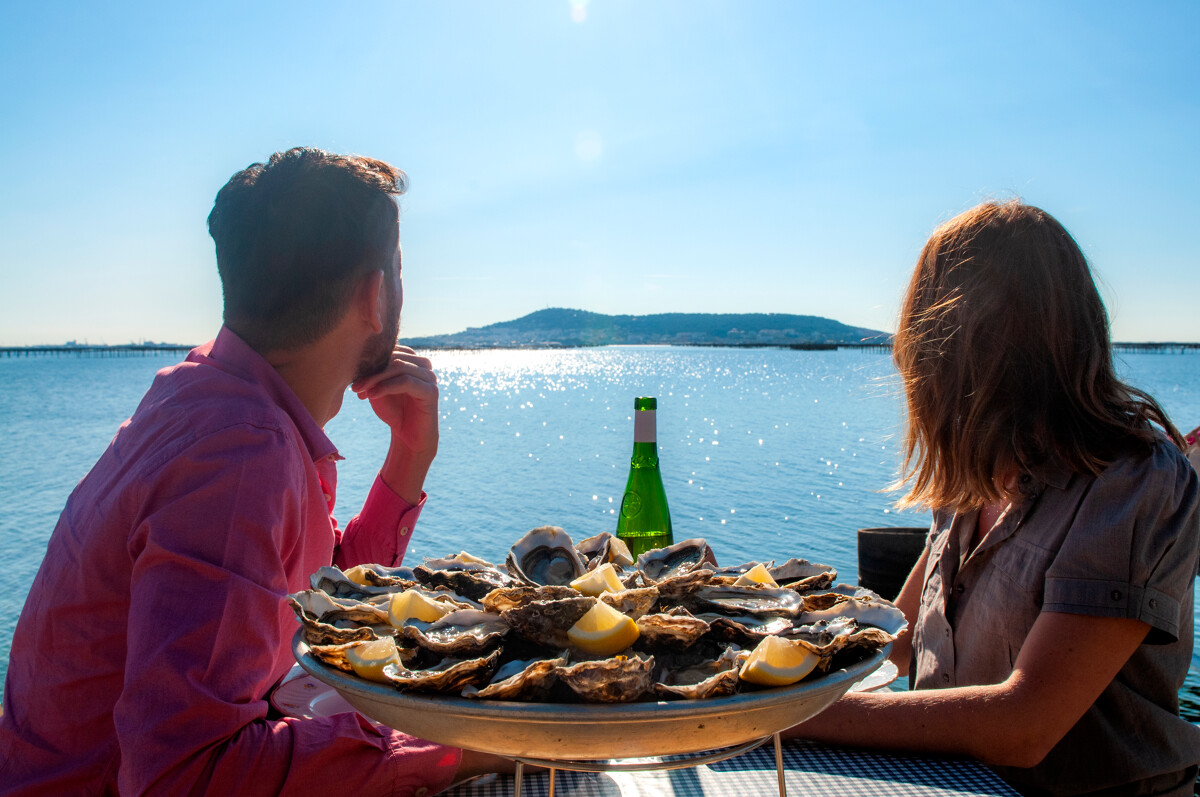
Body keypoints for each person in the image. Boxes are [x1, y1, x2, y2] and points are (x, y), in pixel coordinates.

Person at [0, 148, 507, 794]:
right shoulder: (240, 456)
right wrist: (452, 746)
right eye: (399, 270)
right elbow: (183, 775)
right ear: (375, 294)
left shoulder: (208, 396)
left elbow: (314, 603)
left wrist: (409, 459)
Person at [788, 200, 1200, 796]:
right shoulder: (975, 472)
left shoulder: (1133, 484)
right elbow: (896, 639)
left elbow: (1023, 724)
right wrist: (750, 645)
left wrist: (789, 719)